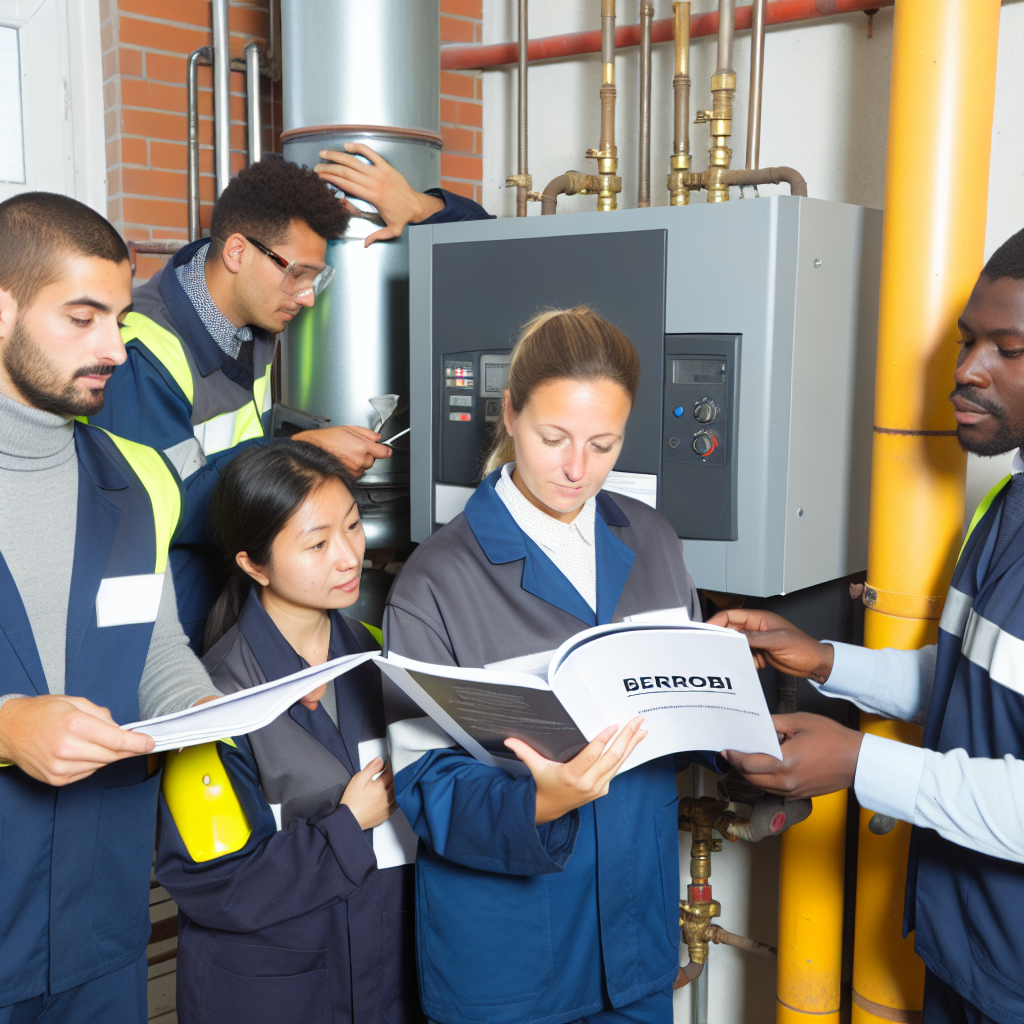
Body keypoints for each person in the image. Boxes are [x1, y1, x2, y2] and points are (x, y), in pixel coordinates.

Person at [711, 228, 1024, 1024]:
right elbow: (970, 684)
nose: (965, 371)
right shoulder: (1007, 505)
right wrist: (823, 661)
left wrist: (859, 761)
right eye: (966, 341)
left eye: (1008, 349)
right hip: (970, 947)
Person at [383, 307, 712, 1024]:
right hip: (508, 964)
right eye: (553, 438)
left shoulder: (651, 539)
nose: (576, 469)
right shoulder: (437, 579)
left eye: (604, 444)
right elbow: (421, 781)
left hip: (634, 946)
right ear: (509, 412)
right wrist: (539, 802)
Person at [89, 152, 490, 647]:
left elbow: (489, 247)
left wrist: (420, 205)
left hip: (235, 605)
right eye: (297, 274)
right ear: (237, 252)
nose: (307, 298)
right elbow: (162, 506)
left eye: (315, 278)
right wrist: (302, 455)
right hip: (173, 634)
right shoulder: (142, 356)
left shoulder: (249, 315)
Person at [0, 193, 219, 1022]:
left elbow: (153, 642)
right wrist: (4, 726)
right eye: (83, 317)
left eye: (119, 318)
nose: (114, 349)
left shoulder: (128, 482)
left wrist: (201, 705)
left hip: (99, 923)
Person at [156, 440, 423, 1024]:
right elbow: (216, 883)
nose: (349, 556)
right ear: (253, 563)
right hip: (274, 996)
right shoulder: (209, 702)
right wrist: (347, 826)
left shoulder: (381, 658)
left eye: (353, 527)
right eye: (318, 543)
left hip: (386, 982)